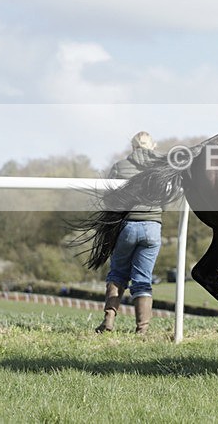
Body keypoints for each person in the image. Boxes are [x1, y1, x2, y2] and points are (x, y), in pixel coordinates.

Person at [96, 131, 163, 335]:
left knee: (117, 273)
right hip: (153, 227)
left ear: (133, 147)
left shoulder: (119, 167)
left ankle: (108, 321)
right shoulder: (161, 168)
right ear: (153, 146)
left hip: (127, 225)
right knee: (143, 278)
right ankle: (142, 329)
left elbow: (109, 196)